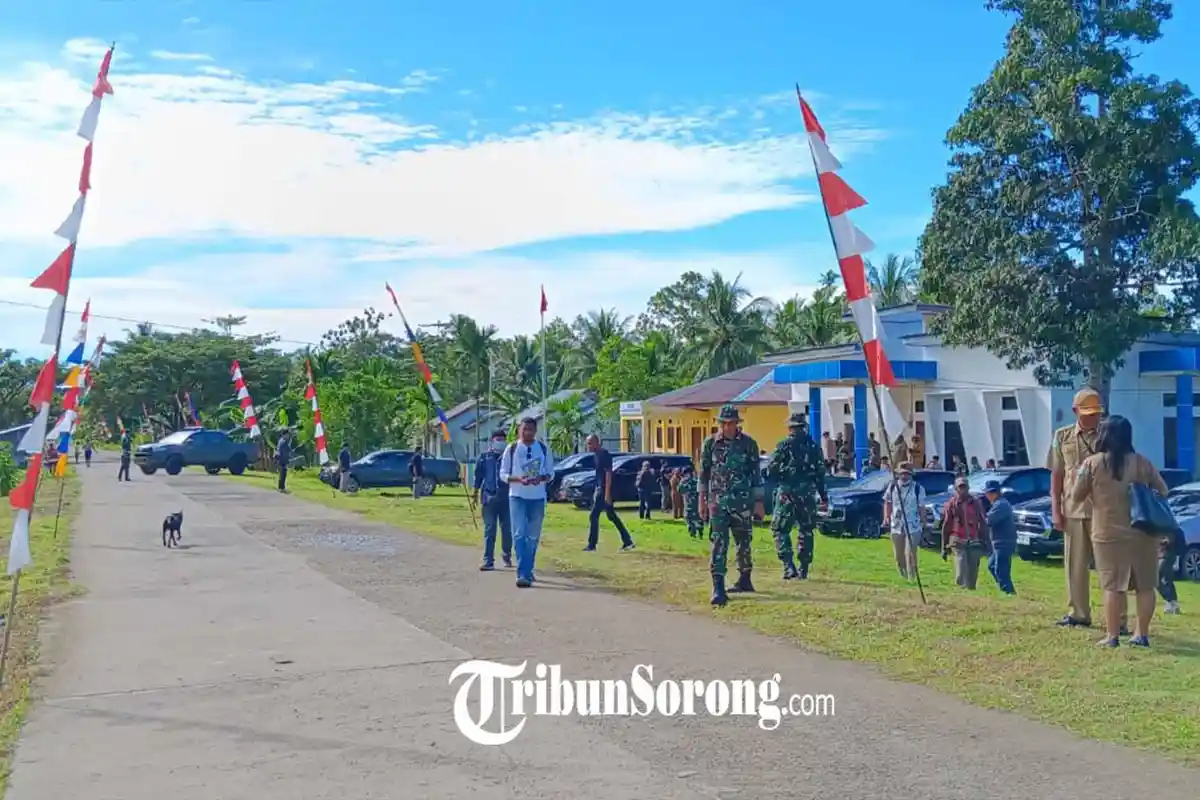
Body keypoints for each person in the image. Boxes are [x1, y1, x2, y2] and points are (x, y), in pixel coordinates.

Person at [1071, 415, 1167, 647]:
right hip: (1143, 532)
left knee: (1112, 586)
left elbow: (1076, 496)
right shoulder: (1142, 462)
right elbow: (1163, 491)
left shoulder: (1092, 464)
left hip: (1108, 533)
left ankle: (1112, 636)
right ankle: (1141, 635)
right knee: (1145, 585)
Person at [1048, 388, 1124, 631]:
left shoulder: (1109, 434)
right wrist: (1056, 509)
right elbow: (1057, 475)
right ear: (1075, 411)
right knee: (1075, 566)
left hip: (1105, 511)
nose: (1093, 417)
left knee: (1110, 568)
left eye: (1096, 413)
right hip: (1074, 509)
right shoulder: (1062, 436)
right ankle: (1078, 613)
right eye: (1087, 413)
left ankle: (1119, 619)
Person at [700, 404, 764, 606]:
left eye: (731, 423)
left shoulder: (748, 444)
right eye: (724, 423)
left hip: (742, 502)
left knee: (743, 542)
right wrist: (702, 500)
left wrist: (759, 502)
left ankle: (745, 578)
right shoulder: (710, 443)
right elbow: (703, 473)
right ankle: (718, 586)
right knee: (719, 542)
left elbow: (756, 475)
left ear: (737, 424)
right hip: (718, 503)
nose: (727, 427)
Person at [766, 412, 827, 580]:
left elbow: (771, 469)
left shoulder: (783, 445)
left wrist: (783, 475)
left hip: (787, 494)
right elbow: (820, 474)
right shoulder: (813, 447)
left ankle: (788, 566)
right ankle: (803, 567)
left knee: (780, 530)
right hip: (807, 494)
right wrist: (824, 496)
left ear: (790, 427)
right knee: (806, 530)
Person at [500, 417, 554, 588]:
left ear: (535, 431)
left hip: (537, 498)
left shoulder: (543, 449)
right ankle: (523, 573)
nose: (527, 432)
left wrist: (541, 478)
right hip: (517, 496)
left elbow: (551, 473)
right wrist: (518, 479)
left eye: (531, 429)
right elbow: (503, 474)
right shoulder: (512, 448)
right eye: (524, 429)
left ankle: (527, 569)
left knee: (532, 536)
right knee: (518, 534)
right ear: (519, 430)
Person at [583, 434, 634, 553]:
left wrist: (607, 493)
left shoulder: (604, 455)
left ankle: (592, 545)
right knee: (611, 516)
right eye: (587, 443)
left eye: (590, 443)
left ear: (596, 443)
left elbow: (608, 474)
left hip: (605, 490)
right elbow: (599, 475)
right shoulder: (596, 455)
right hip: (600, 489)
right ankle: (627, 541)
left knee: (593, 516)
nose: (588, 446)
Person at [941, 475, 991, 590]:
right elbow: (946, 525)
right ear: (956, 489)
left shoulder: (976, 503)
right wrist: (943, 547)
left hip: (974, 540)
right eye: (960, 487)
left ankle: (971, 592)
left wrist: (986, 542)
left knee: (972, 573)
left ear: (968, 488)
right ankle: (961, 591)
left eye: (965, 487)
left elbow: (982, 522)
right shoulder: (951, 504)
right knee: (961, 571)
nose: (963, 490)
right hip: (957, 540)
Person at [473, 430, 512, 570]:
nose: (500, 442)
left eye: (502, 439)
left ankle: (506, 555)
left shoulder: (510, 456)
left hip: (507, 498)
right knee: (490, 530)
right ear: (492, 441)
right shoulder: (484, 457)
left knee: (507, 529)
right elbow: (478, 477)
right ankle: (488, 560)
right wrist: (474, 494)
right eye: (497, 439)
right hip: (489, 498)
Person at [883, 462, 926, 580]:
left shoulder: (918, 488)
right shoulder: (892, 486)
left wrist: (923, 521)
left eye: (907, 474)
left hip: (913, 524)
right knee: (898, 555)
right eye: (902, 473)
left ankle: (912, 577)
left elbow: (921, 506)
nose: (904, 476)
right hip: (897, 524)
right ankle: (903, 576)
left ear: (911, 474)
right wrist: (886, 517)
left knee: (910, 553)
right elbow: (887, 502)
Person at [984, 479, 1017, 594]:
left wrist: (980, 519)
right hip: (1000, 541)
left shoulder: (1000, 505)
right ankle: (1005, 589)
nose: (989, 495)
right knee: (992, 566)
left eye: (991, 493)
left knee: (1001, 569)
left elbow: (989, 521)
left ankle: (1008, 591)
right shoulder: (998, 504)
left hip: (1004, 541)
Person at [1158, 530, 1183, 615]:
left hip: (1166, 555)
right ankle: (1174, 604)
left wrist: (1158, 541)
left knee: (1156, 578)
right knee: (1167, 580)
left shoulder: (1168, 527)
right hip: (1165, 555)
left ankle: (1169, 601)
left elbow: (1169, 540)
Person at [678, 465, 703, 539]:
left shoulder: (687, 481)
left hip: (691, 503)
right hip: (694, 503)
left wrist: (682, 481)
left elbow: (680, 490)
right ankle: (697, 531)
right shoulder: (696, 480)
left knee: (690, 518)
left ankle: (694, 532)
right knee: (694, 518)